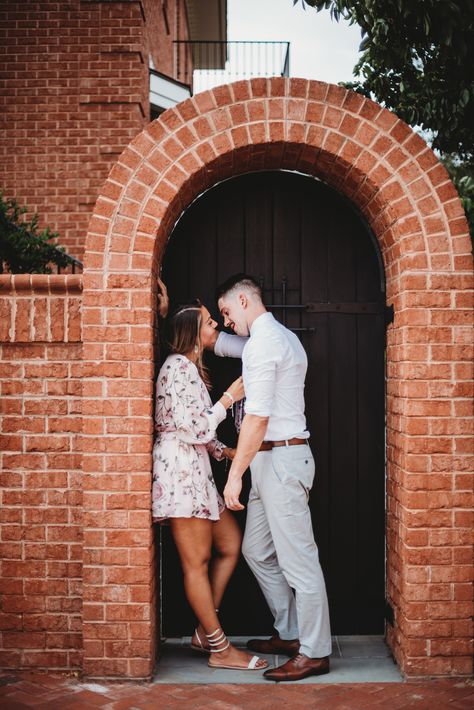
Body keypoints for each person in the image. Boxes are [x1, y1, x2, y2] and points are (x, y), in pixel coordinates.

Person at [211, 273, 332, 682]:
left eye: (226, 312)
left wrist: (234, 477)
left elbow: (258, 417)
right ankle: (292, 633)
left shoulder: (267, 342)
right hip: (270, 461)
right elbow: (226, 345)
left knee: (300, 563)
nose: (226, 321)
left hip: (280, 460)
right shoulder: (273, 338)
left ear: (243, 301)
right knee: (257, 551)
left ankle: (315, 651)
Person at [152, 290, 268, 672]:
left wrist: (228, 453)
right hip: (181, 476)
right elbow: (193, 426)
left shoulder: (188, 368)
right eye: (208, 321)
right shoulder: (176, 367)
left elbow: (199, 431)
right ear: (191, 331)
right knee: (196, 563)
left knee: (231, 543)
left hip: (197, 472)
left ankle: (205, 630)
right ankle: (220, 649)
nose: (215, 324)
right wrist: (229, 399)